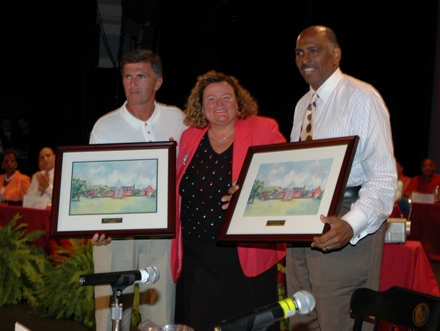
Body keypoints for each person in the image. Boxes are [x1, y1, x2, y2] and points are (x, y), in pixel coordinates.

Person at [286, 26, 397, 331]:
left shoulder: (362, 97)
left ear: (336, 54)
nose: (304, 58)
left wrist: (352, 223)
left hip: (345, 226)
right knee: (302, 318)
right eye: (298, 52)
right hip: (302, 229)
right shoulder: (301, 106)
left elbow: (385, 178)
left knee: (340, 323)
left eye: (313, 50)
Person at [171, 70, 286, 330]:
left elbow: (285, 174)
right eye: (211, 99)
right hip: (195, 258)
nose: (219, 104)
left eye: (226, 97)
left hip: (242, 257)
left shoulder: (262, 128)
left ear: (238, 103)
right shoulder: (191, 136)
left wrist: (250, 193)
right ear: (201, 106)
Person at [90, 50, 186, 331]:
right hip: (115, 235)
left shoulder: (177, 119)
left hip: (162, 232)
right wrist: (97, 225)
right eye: (127, 76)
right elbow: (95, 186)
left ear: (158, 82)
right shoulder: (105, 127)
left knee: (161, 311)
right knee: (110, 312)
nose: (133, 83)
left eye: (141, 76)